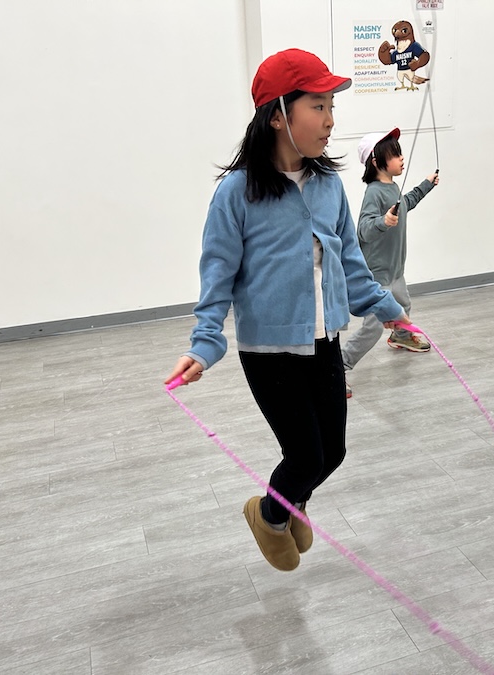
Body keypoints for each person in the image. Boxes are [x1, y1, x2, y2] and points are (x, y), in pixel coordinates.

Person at [164, 49, 409, 572]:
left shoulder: (329, 187)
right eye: (317, 106)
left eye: (331, 107)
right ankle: (270, 515)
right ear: (277, 115)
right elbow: (217, 276)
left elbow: (351, 262)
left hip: (325, 340)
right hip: (269, 351)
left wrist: (389, 309)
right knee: (305, 456)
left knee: (333, 452)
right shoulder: (237, 193)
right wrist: (204, 346)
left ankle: (288, 503)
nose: (330, 119)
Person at [340, 127, 438, 398]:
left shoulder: (393, 187)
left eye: (400, 153)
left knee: (404, 304)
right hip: (377, 275)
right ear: (376, 161)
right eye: (395, 154)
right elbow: (363, 229)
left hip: (395, 270)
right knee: (372, 328)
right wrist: (382, 222)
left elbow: (406, 203)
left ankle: (401, 336)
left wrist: (426, 185)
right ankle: (338, 366)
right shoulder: (374, 192)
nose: (401, 158)